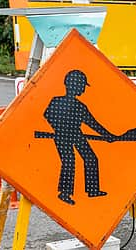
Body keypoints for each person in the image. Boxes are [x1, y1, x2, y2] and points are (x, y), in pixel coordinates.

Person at [43, 70, 116, 205]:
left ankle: (92, 189)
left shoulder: (80, 106)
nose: (83, 89)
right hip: (62, 136)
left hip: (76, 134)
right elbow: (47, 115)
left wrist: (108, 136)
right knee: (69, 160)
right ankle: (65, 193)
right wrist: (59, 128)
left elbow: (93, 124)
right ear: (74, 85)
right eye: (81, 85)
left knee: (91, 158)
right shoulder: (56, 101)